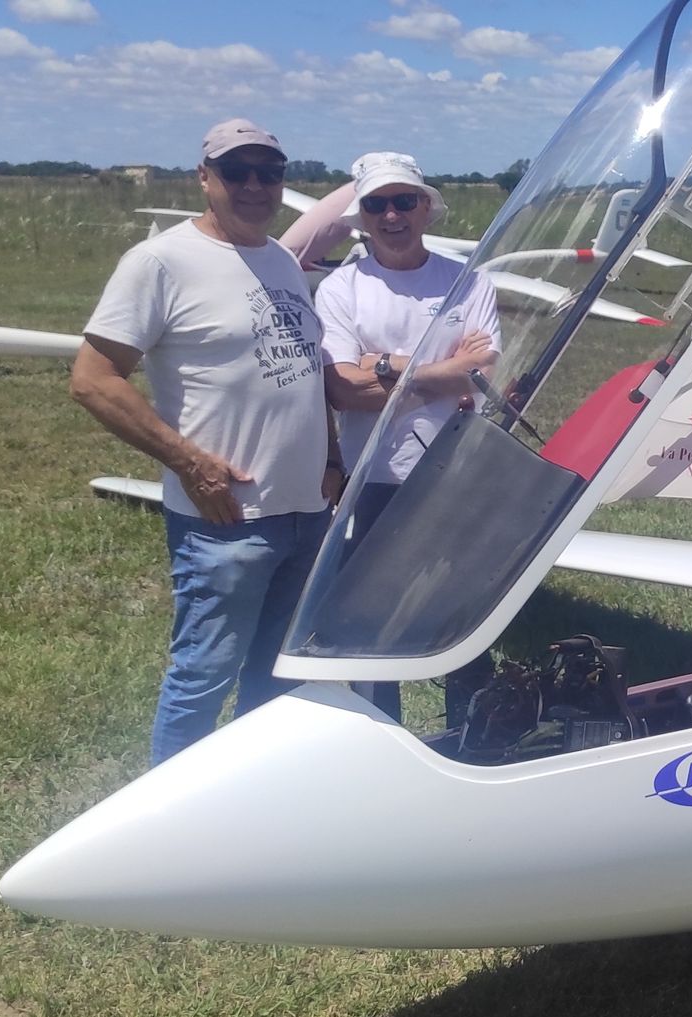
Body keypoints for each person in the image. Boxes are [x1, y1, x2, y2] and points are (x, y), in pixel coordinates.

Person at [70, 118, 340, 765]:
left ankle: (248, 798)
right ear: (205, 177)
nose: (254, 185)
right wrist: (189, 462)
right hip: (226, 521)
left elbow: (305, 371)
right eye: (236, 171)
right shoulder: (160, 261)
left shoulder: (280, 259)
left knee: (277, 676)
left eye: (268, 172)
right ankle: (164, 831)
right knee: (202, 679)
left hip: (305, 513)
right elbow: (92, 378)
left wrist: (331, 457)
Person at [313, 151, 501, 720]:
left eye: (403, 202)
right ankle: (379, 729)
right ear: (362, 216)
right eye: (377, 205)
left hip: (453, 473)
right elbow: (342, 390)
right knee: (373, 619)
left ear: (425, 208)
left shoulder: (468, 282)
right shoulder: (340, 289)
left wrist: (388, 368)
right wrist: (440, 375)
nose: (391, 215)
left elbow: (481, 375)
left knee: (460, 612)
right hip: (371, 477)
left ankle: (476, 732)